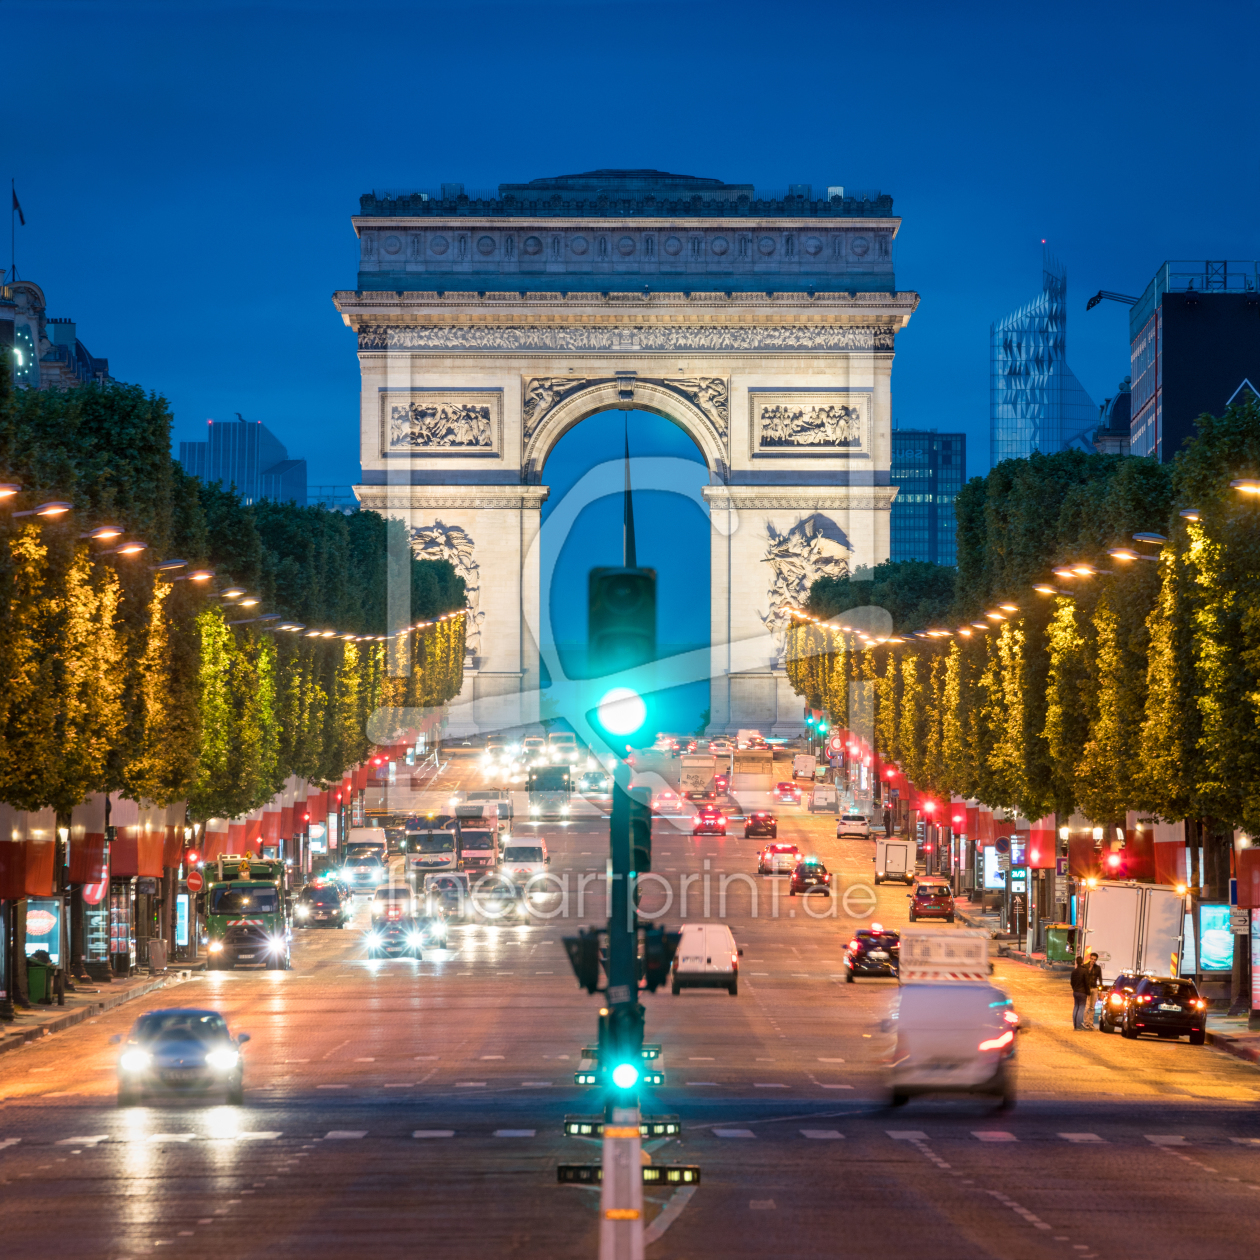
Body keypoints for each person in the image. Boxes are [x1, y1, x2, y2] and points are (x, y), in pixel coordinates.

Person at [1083, 952, 1103, 1030]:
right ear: (1090, 958)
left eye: (1095, 959)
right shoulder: (1085, 966)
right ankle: (1086, 1023)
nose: (1093, 961)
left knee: (1092, 1007)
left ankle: (1091, 1023)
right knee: (1086, 1007)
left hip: (1094, 988)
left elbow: (1100, 978)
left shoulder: (1098, 968)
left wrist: (1100, 990)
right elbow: (1085, 977)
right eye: (1092, 959)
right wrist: (1090, 969)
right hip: (1087, 989)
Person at [1070, 956, 1091, 1030]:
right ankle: (1078, 1025)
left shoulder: (1074, 971)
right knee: (1081, 1008)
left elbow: (1071, 982)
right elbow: (1086, 982)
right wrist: (1088, 993)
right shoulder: (1084, 971)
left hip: (1075, 992)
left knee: (1076, 1007)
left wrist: (1074, 989)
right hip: (1082, 992)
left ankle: (1075, 1024)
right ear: (1082, 962)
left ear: (1076, 962)